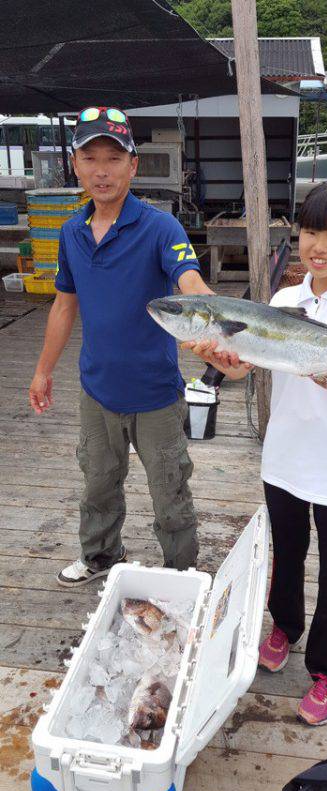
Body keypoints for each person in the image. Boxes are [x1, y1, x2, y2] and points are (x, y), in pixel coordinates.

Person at [181, 180, 327, 726]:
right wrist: (223, 358)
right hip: (283, 460)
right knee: (288, 556)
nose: (317, 245)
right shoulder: (283, 301)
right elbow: (246, 368)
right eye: (308, 232)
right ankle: (284, 626)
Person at [29, 106, 214, 586]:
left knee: (170, 491)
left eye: (114, 158)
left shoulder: (160, 228)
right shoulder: (70, 232)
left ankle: (183, 573)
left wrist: (218, 324)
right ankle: (100, 556)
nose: (102, 170)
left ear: (133, 164)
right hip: (97, 392)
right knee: (97, 486)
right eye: (90, 158)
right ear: (76, 163)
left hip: (155, 394)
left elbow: (189, 281)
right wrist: (43, 370)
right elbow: (64, 307)